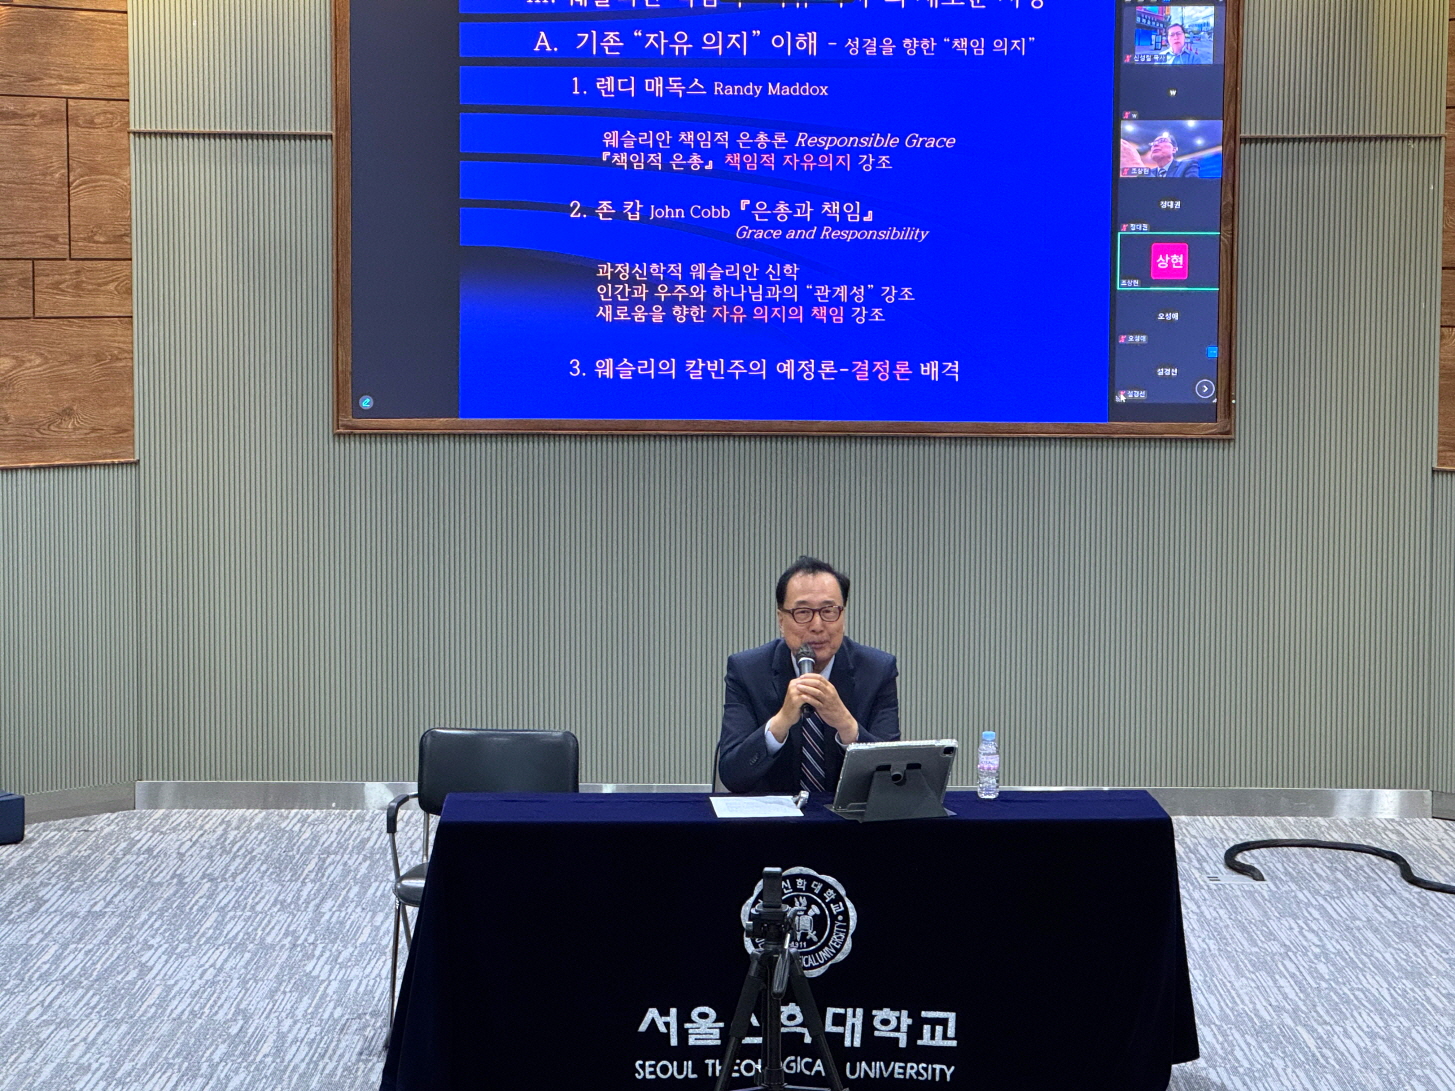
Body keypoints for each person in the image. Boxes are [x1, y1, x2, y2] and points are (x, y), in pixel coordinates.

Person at [717, 556, 900, 794]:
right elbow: (732, 775)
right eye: (802, 612)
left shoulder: (877, 670)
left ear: (843, 615)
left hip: (847, 814)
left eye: (829, 611)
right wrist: (780, 722)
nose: (817, 625)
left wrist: (846, 725)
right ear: (781, 620)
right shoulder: (747, 670)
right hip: (774, 815)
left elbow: (893, 777)